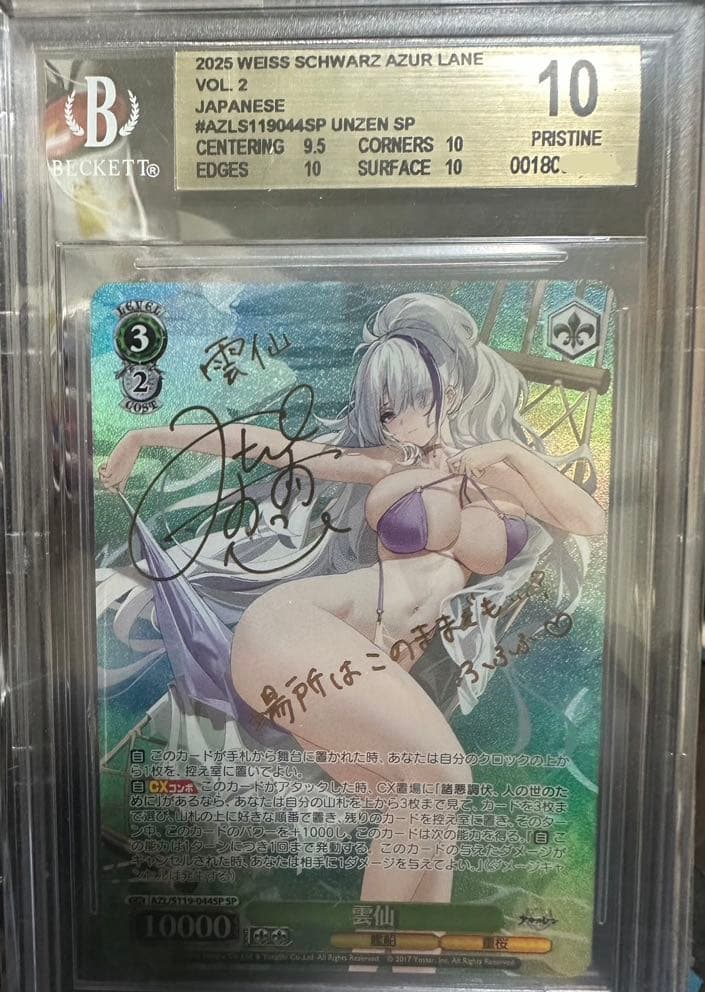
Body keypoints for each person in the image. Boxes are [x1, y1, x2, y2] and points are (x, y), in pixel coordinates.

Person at [99, 292, 604, 903]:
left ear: (448, 387)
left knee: (429, 807)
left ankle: (417, 951)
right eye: (386, 411)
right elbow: (267, 445)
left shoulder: (500, 475)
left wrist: (508, 451)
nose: (400, 423)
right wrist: (143, 436)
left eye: (414, 400)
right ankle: (380, 944)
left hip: (347, 660)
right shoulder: (384, 464)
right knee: (445, 779)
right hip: (298, 627)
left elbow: (589, 521)